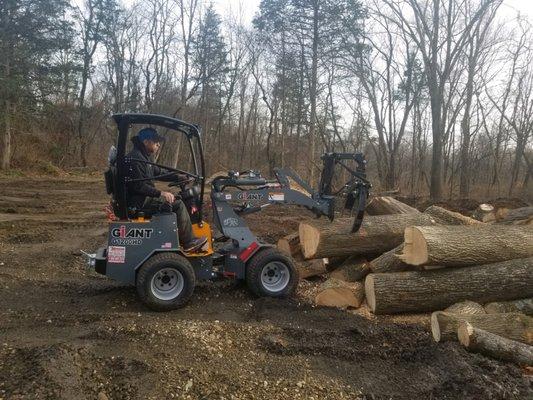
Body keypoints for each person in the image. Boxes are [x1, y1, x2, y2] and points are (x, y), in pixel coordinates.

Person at [125, 127, 207, 252]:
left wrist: (178, 176)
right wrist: (161, 193)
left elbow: (158, 172)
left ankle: (182, 237)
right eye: (155, 141)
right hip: (139, 202)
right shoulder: (136, 159)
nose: (158, 144)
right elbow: (138, 186)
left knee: (175, 197)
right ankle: (189, 242)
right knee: (178, 203)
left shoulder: (143, 157)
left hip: (141, 199)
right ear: (146, 141)